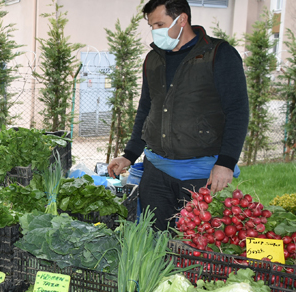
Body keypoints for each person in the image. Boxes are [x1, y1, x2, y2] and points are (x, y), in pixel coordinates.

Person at [107, 0, 249, 231]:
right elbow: (146, 109)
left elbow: (238, 110)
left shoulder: (219, 54)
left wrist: (226, 162)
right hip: (156, 169)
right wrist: (130, 154)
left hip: (202, 172)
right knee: (153, 236)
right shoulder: (153, 59)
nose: (155, 31)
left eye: (160, 24)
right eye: (152, 25)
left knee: (197, 241)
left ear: (181, 19)